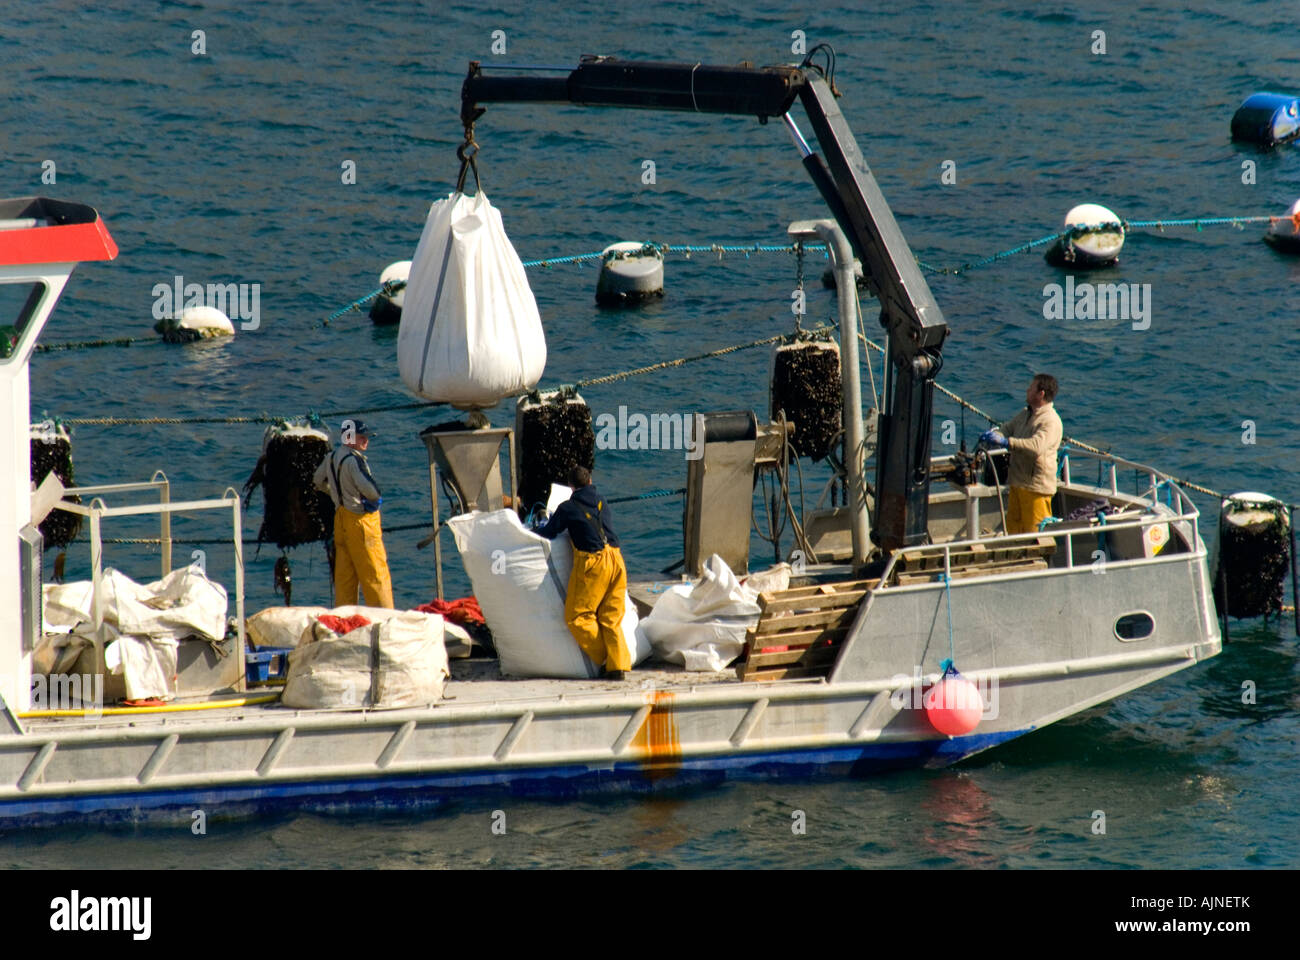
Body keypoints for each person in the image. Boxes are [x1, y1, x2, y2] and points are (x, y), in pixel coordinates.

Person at [537, 465, 631, 680]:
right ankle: (619, 666)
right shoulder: (602, 499)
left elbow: (549, 532)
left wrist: (529, 530)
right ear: (590, 481)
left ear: (571, 486)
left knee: (578, 616)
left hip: (593, 562)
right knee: (611, 617)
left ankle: (606, 659)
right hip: (616, 558)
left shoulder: (567, 507)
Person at [313, 419, 395, 608]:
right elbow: (372, 491)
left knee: (345, 577)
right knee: (375, 574)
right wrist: (372, 502)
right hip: (361, 522)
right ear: (349, 438)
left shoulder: (331, 457)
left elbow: (317, 480)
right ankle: (384, 619)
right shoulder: (354, 461)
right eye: (362, 437)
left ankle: (345, 620)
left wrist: (334, 493)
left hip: (340, 519)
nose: (366, 440)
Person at [980, 374, 1063, 535]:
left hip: (1035, 488)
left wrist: (1007, 443)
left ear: (1041, 393)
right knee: (1014, 530)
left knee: (1035, 534)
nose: (1027, 390)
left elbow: (1036, 447)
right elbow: (1008, 428)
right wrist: (996, 434)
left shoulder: (1050, 421)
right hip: (1018, 483)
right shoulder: (1026, 414)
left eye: (1031, 388)